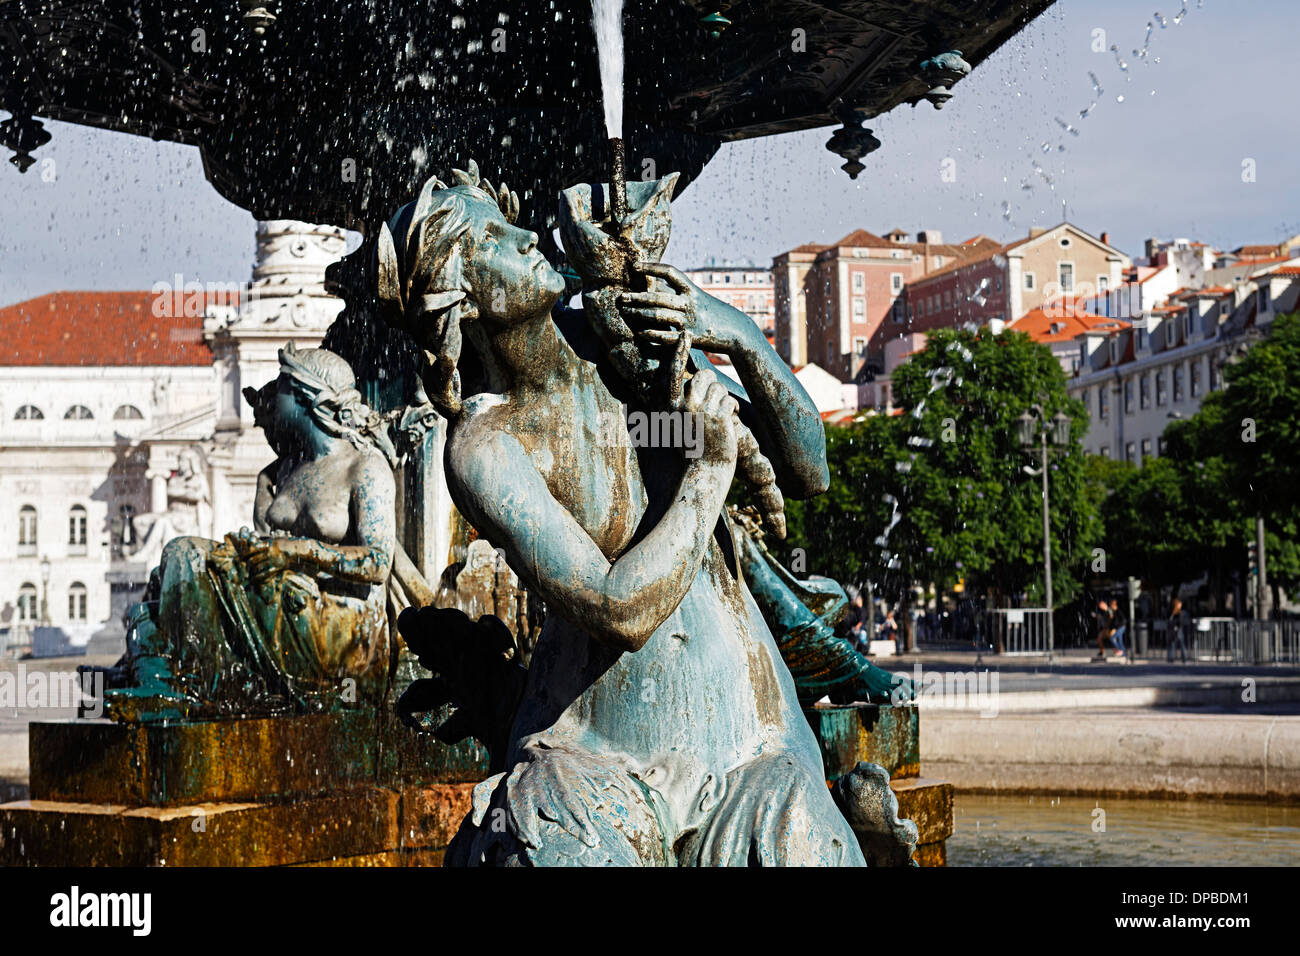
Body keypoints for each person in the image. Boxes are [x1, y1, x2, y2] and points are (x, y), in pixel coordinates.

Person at [380, 163, 865, 866]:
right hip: (592, 758)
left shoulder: (616, 335)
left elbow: (809, 469)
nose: (524, 235)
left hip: (748, 740)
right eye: (491, 237)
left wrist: (731, 332)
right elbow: (618, 612)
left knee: (809, 849)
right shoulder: (487, 446)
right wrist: (706, 473)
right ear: (459, 301)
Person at [1167, 596, 1188, 663]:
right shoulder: (1176, 610)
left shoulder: (1177, 610)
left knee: (1177, 643)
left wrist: (1176, 625)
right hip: (1176, 628)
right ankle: (1173, 658)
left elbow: (1178, 620)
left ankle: (1174, 658)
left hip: (1177, 628)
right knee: (1176, 643)